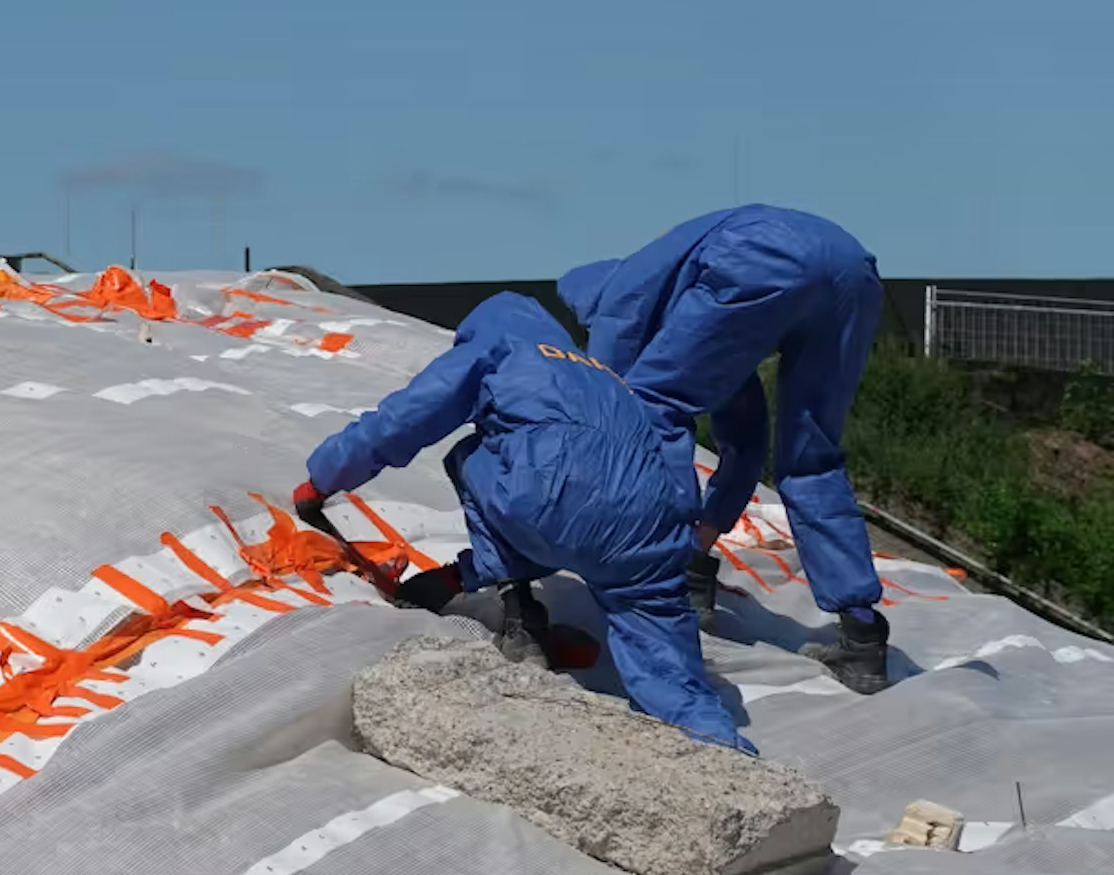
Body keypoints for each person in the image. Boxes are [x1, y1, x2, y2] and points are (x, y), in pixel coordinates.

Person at [294, 292, 752, 753]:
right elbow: (665, 457)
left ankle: (518, 615)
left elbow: (400, 421)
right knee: (672, 671)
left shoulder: (496, 350)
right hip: (650, 527)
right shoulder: (606, 377)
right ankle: (722, 750)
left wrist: (323, 479)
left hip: (549, 501)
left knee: (470, 455)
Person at [557, 204, 890, 694]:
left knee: (650, 408)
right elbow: (745, 441)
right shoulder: (696, 302)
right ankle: (862, 635)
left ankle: (665, 578)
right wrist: (702, 539)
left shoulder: (617, 305)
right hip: (851, 270)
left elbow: (613, 416)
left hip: (758, 256)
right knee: (811, 454)